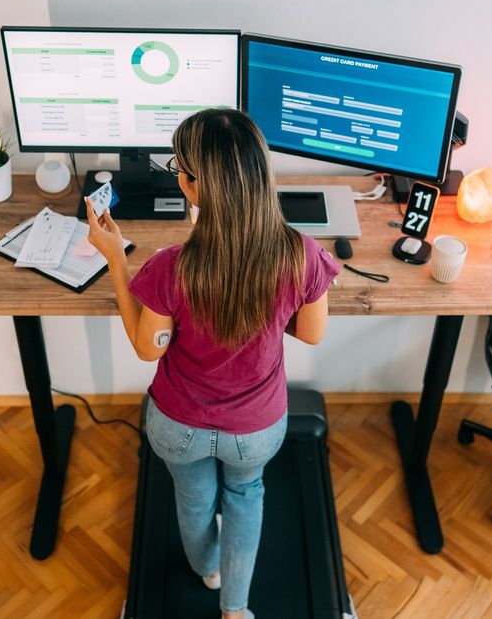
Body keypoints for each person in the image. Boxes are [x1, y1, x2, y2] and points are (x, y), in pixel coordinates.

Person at [84, 108, 339, 619]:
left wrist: (115, 258)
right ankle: (236, 609)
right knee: (247, 493)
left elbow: (147, 347)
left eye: (180, 166)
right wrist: (265, 316)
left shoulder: (170, 267)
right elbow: (311, 333)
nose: (176, 173)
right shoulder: (301, 255)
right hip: (257, 427)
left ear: (196, 187)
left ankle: (208, 569)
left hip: (179, 425)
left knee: (193, 498)